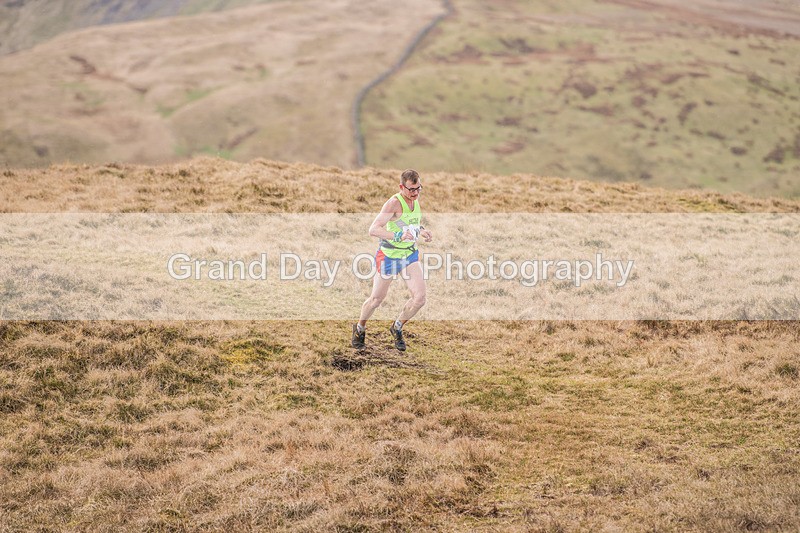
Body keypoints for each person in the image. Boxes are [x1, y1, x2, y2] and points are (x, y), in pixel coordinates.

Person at [352, 169, 433, 351]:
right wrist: (397, 235)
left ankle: (396, 327)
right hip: (389, 256)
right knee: (376, 300)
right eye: (411, 189)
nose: (415, 193)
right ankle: (359, 328)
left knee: (420, 298)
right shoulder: (394, 203)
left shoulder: (415, 200)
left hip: (409, 255)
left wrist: (421, 230)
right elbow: (373, 229)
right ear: (401, 187)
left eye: (418, 188)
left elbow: (407, 224)